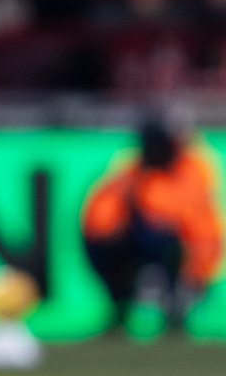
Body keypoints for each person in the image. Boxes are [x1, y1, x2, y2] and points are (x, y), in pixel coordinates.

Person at [81, 117, 223, 333]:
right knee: (114, 250)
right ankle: (121, 306)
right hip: (135, 251)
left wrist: (198, 272)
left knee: (170, 248)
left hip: (182, 259)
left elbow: (202, 233)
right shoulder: (131, 175)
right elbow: (99, 226)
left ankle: (177, 307)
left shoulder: (191, 174)